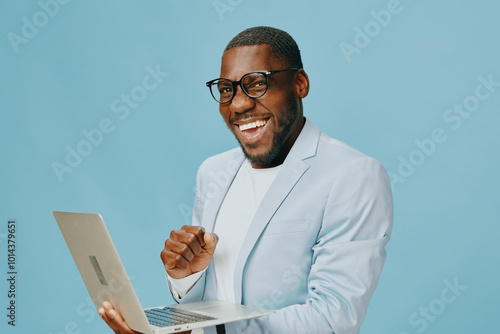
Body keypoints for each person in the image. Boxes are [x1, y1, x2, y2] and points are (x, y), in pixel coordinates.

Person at [99, 26, 393, 334]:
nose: (238, 105)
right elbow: (205, 304)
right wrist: (185, 277)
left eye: (257, 83)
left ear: (299, 83)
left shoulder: (353, 175)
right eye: (227, 90)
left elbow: (332, 320)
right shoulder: (213, 171)